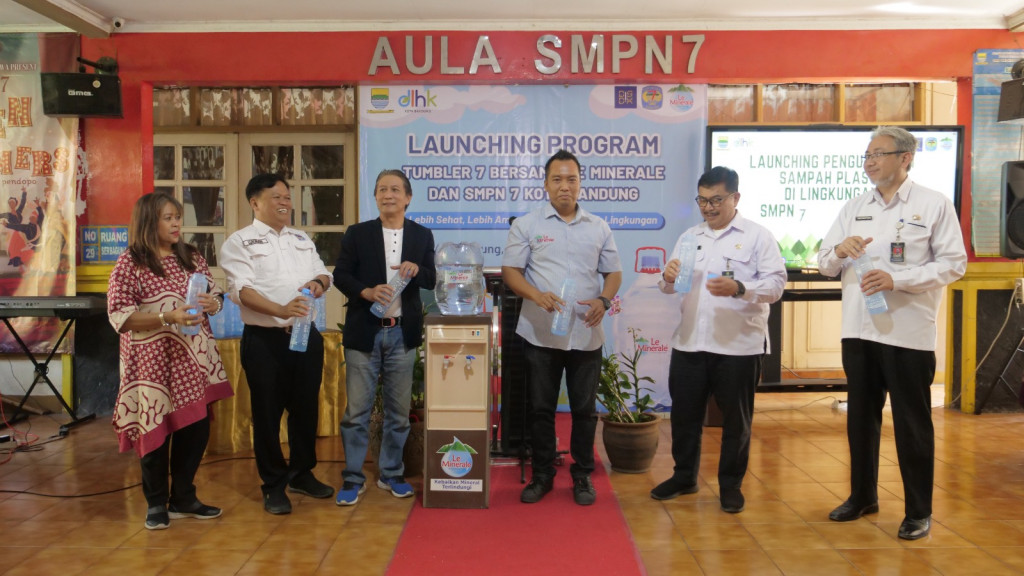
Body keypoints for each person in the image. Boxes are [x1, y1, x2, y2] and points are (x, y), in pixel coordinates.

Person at [818, 126, 967, 540]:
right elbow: (824, 262)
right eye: (866, 155)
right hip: (858, 331)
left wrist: (897, 280)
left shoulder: (933, 204)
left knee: (911, 424)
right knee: (860, 420)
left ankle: (918, 511)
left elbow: (954, 264)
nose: (869, 162)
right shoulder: (854, 207)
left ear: (905, 158)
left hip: (907, 333)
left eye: (878, 154)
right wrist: (838, 251)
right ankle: (862, 496)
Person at [649, 166, 786, 513]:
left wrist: (740, 288)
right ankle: (684, 476)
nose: (708, 207)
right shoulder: (689, 237)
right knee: (684, 417)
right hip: (690, 342)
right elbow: (669, 287)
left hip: (738, 346)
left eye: (716, 200)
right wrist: (666, 276)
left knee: (736, 422)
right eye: (702, 200)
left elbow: (775, 286)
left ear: (735, 198)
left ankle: (730, 486)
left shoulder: (758, 236)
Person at [502, 149, 622, 506]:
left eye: (571, 179)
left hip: (585, 332)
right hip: (540, 332)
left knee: (584, 410)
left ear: (580, 183)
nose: (564, 186)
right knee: (540, 408)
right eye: (557, 179)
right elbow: (511, 272)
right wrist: (536, 295)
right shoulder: (527, 225)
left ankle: (582, 474)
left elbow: (614, 273)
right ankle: (542, 475)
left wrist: (603, 300)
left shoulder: (598, 227)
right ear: (546, 184)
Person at [107, 191, 233, 530]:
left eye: (178, 217)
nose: (177, 223)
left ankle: (183, 498)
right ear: (150, 221)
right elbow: (120, 316)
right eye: (168, 218)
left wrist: (214, 303)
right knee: (155, 430)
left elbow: (215, 294)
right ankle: (155, 504)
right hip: (151, 364)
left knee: (196, 429)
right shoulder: (130, 262)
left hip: (192, 360)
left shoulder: (191, 256)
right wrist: (168, 318)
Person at [220, 173, 335, 515]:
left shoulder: (301, 238)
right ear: (255, 202)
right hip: (265, 341)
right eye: (277, 197)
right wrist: (280, 310)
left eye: (287, 197)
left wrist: (318, 284)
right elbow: (242, 291)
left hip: (305, 335)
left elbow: (324, 273)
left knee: (305, 410)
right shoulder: (239, 242)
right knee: (267, 415)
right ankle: (273, 485)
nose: (285, 203)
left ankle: (302, 474)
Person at [333, 169, 436, 505]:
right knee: (357, 413)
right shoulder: (358, 233)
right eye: (381, 190)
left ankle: (391, 473)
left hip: (402, 336)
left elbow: (432, 278)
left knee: (398, 412)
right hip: (365, 332)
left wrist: (417, 270)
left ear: (407, 197)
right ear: (375, 196)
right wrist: (365, 291)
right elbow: (340, 275)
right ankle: (353, 477)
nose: (388, 195)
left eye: (394, 189)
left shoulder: (421, 235)